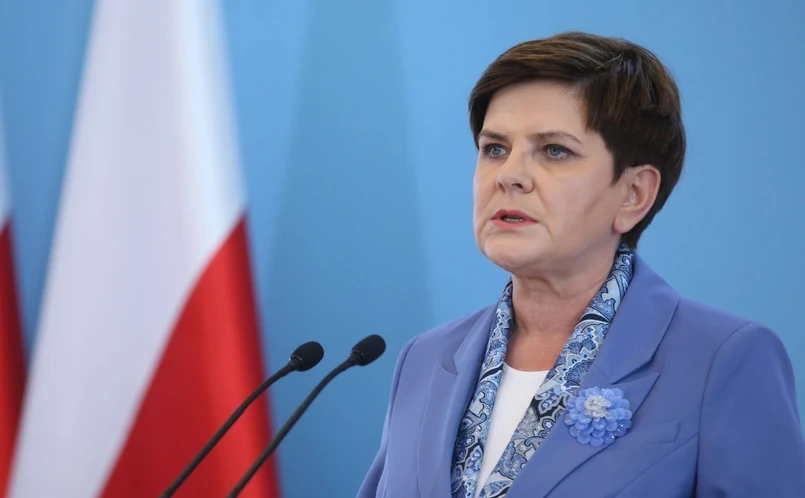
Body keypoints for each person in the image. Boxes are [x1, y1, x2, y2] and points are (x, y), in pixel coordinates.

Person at [356, 31, 805, 498]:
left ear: (633, 195)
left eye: (555, 151)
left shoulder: (722, 360)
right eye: (495, 149)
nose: (509, 175)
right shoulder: (425, 359)